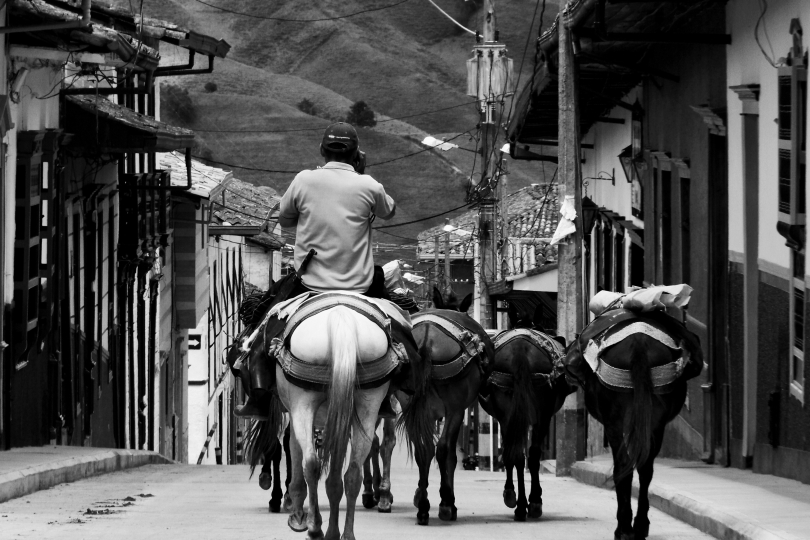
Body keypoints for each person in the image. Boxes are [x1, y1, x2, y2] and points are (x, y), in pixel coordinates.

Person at [235, 122, 411, 419]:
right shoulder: (369, 185)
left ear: (321, 150)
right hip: (361, 285)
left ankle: (259, 398)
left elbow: (287, 220)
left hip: (309, 284)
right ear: (357, 154)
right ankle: (393, 392)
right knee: (404, 329)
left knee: (260, 331)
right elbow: (388, 210)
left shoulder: (304, 180)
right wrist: (361, 173)